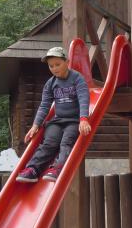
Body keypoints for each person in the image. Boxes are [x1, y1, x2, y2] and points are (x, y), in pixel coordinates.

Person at [17, 46, 91, 182]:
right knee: (49, 143)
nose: (54, 68)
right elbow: (44, 105)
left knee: (66, 143)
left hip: (74, 121)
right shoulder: (50, 83)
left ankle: (58, 168)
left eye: (58, 64)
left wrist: (83, 119)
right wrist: (35, 125)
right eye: (51, 66)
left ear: (66, 62)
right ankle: (33, 169)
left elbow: (83, 98)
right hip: (57, 121)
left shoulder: (77, 78)